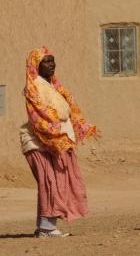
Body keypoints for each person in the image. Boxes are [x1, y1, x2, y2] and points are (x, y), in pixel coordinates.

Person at [20, 46, 98, 237]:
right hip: (40, 141)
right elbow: (39, 116)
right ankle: (47, 227)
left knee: (55, 181)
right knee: (50, 181)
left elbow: (67, 111)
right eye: (46, 61)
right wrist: (56, 135)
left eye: (52, 60)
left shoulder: (55, 86)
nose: (51, 64)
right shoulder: (34, 87)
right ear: (36, 65)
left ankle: (44, 226)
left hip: (55, 141)